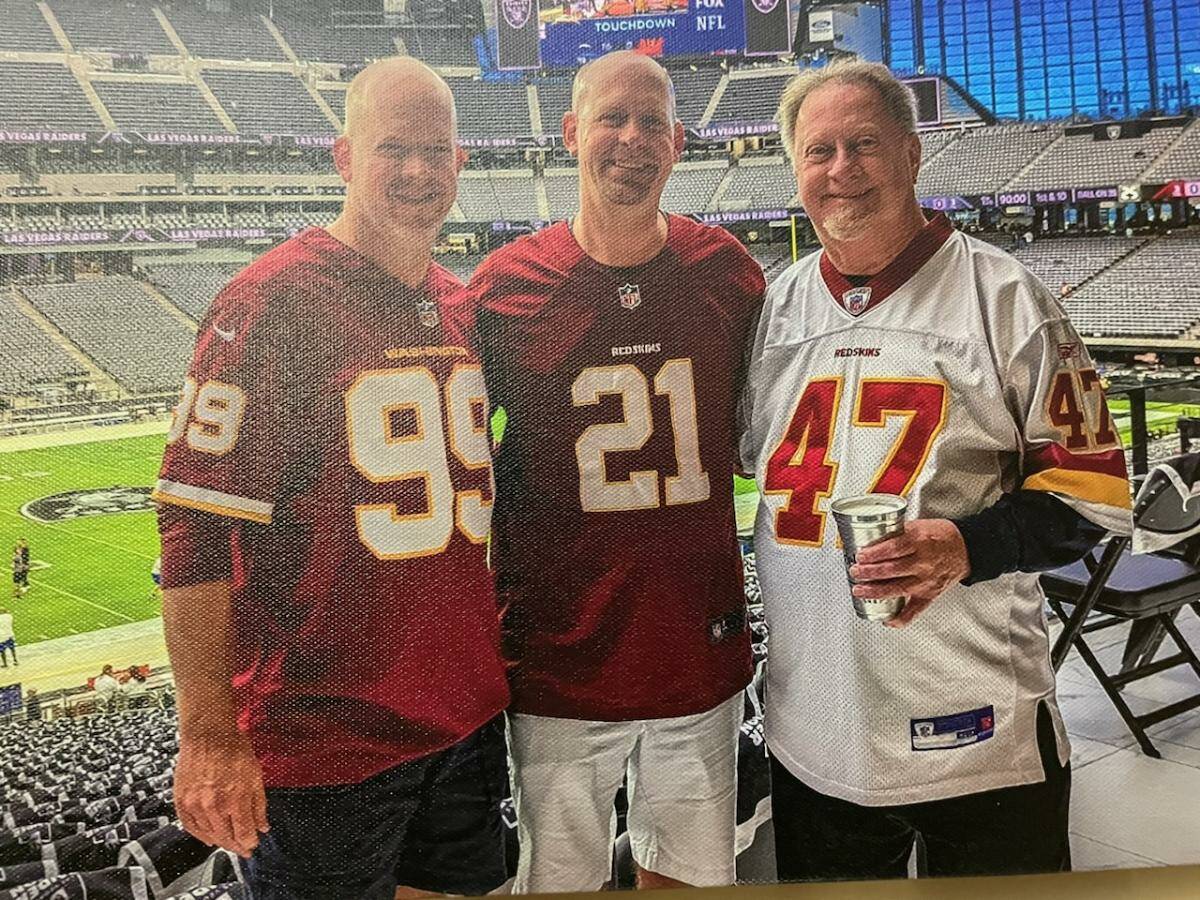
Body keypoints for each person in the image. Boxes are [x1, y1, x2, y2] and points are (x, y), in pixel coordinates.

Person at [739, 59, 1133, 881]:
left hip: (975, 728)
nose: (840, 170)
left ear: (914, 155)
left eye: (864, 145)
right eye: (818, 152)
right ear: (795, 171)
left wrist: (965, 545)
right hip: (815, 732)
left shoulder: (1007, 298)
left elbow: (1095, 498)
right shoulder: (777, 307)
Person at [151, 58, 510, 900]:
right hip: (327, 740)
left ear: (461, 163)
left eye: (436, 150)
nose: (418, 171)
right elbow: (194, 528)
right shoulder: (271, 303)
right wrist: (206, 731)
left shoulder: (462, 305)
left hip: (461, 718)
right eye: (393, 149)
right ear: (344, 157)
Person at [471, 50, 765, 892]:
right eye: (612, 118)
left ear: (677, 144)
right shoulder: (505, 287)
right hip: (559, 656)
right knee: (558, 878)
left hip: (694, 647)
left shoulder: (727, 274)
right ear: (571, 134)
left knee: (695, 875)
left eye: (651, 124)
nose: (631, 140)